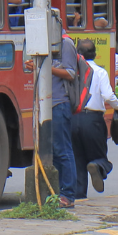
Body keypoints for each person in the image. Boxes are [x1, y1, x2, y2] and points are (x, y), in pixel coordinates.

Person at [28, 29, 80, 207]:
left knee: (63, 150)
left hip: (59, 103)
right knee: (53, 151)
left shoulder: (66, 44)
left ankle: (68, 194)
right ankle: (56, 193)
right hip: (43, 105)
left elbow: (71, 73)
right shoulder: (39, 43)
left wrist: (47, 68)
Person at [70, 39, 118, 199]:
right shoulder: (100, 72)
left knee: (77, 159)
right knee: (99, 155)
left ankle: (79, 197)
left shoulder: (72, 72)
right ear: (95, 54)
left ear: (78, 54)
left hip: (72, 120)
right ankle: (97, 165)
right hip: (92, 120)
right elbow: (108, 95)